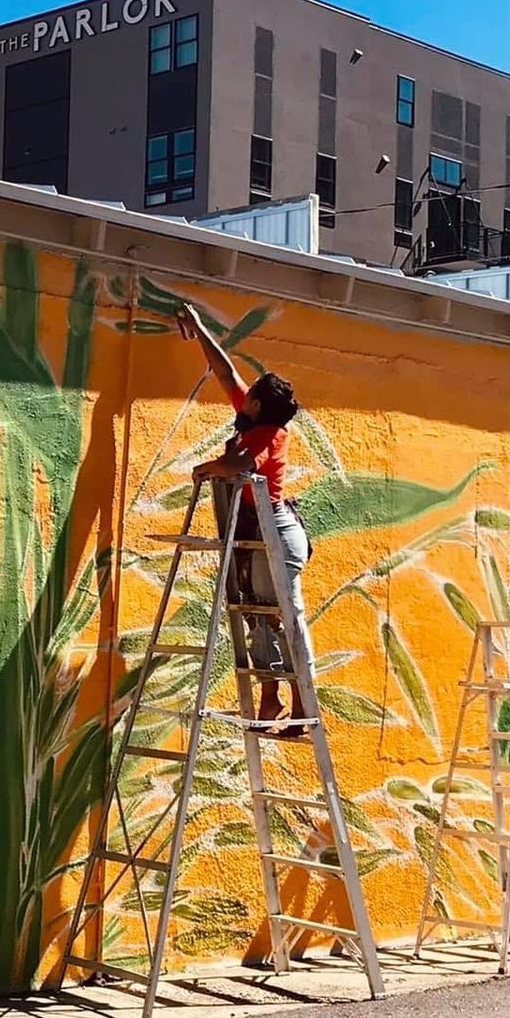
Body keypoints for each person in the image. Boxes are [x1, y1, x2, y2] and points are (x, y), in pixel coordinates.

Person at [173, 301, 312, 732]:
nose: (243, 392)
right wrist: (199, 327)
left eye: (250, 392)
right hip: (257, 532)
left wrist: (206, 467)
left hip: (275, 533)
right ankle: (271, 700)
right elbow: (224, 371)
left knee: (280, 617)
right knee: (257, 614)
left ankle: (301, 705)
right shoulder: (253, 420)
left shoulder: (268, 434)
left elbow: (238, 465)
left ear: (256, 404)